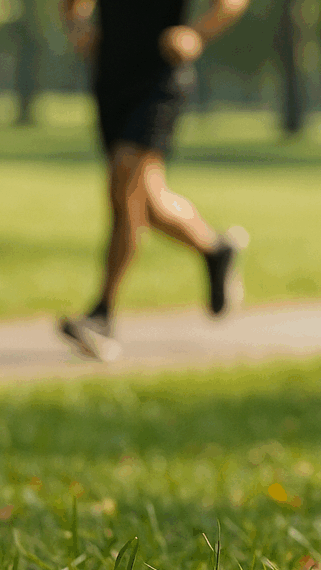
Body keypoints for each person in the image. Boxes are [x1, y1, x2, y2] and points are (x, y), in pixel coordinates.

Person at [59, 0, 250, 361]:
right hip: (111, 76)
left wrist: (197, 33)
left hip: (161, 77)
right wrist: (76, 25)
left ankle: (102, 315)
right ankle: (215, 250)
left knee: (124, 187)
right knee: (148, 201)